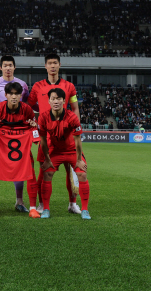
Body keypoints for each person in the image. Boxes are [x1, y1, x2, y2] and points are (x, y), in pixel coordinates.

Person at [28, 53, 81, 214]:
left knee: (71, 171)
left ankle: (72, 204)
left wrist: (75, 128)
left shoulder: (69, 86)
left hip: (66, 135)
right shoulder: (37, 86)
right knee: (44, 171)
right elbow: (29, 108)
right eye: (49, 63)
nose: (52, 66)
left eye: (55, 63)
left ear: (59, 65)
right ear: (45, 66)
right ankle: (43, 204)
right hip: (46, 137)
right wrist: (35, 130)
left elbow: (75, 108)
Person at [0, 82, 40, 218]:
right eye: (11, 93)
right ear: (6, 95)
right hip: (1, 146)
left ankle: (33, 208)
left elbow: (34, 127)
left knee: (30, 171)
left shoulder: (27, 109)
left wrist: (35, 126)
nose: (14, 96)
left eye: (17, 94)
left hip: (22, 146)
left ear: (21, 95)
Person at [0, 55, 30, 212]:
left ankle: (20, 201)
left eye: (11, 65)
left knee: (19, 166)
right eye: (5, 65)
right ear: (1, 68)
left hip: (17, 132)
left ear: (14, 67)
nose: (8, 68)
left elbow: (26, 106)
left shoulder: (22, 85)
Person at [38, 88, 91, 220]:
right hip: (55, 151)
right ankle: (46, 209)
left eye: (59, 99)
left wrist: (79, 159)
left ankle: (85, 210)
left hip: (72, 150)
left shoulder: (72, 117)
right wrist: (47, 159)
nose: (56, 101)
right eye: (53, 99)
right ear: (49, 101)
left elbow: (78, 140)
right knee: (47, 173)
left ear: (64, 101)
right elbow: (43, 141)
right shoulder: (43, 117)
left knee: (82, 174)